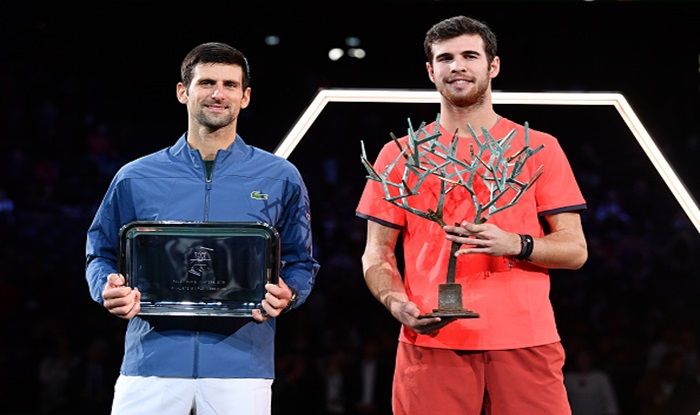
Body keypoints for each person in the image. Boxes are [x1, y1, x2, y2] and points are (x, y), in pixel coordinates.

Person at [356, 16, 588, 415]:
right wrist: (396, 303)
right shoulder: (398, 155)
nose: (458, 66)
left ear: (492, 66)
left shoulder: (539, 148)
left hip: (525, 341)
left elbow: (575, 249)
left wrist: (516, 243)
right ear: (431, 71)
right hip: (431, 341)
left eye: (469, 56)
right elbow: (376, 254)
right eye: (445, 58)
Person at [85, 42, 320, 415]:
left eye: (230, 85)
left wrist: (289, 295)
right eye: (207, 82)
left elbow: (301, 261)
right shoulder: (136, 176)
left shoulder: (280, 176)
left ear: (245, 97)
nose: (218, 93)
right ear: (184, 92)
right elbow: (100, 252)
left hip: (242, 367)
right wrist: (106, 288)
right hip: (150, 364)